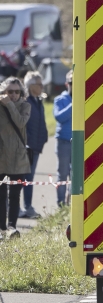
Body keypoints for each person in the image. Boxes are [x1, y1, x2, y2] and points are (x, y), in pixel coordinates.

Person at [0, 77, 31, 238]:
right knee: (1, 195)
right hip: (2, 157)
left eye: (16, 91)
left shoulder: (25, 106)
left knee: (14, 195)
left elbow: (20, 123)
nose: (13, 95)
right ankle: (1, 228)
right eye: (9, 91)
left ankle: (12, 227)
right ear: (3, 92)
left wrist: (10, 104)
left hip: (18, 159)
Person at [20, 71, 47, 218]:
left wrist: (43, 139)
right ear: (31, 86)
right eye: (39, 84)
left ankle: (27, 207)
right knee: (22, 178)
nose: (42, 86)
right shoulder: (25, 103)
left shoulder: (38, 101)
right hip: (26, 148)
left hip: (36, 147)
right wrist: (27, 142)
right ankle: (21, 208)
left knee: (29, 179)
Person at [54, 70, 72, 207]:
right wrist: (74, 105)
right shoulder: (60, 99)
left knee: (76, 175)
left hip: (78, 143)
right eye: (72, 83)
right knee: (62, 174)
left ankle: (72, 203)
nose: (74, 86)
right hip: (64, 142)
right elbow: (59, 117)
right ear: (67, 84)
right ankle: (60, 204)